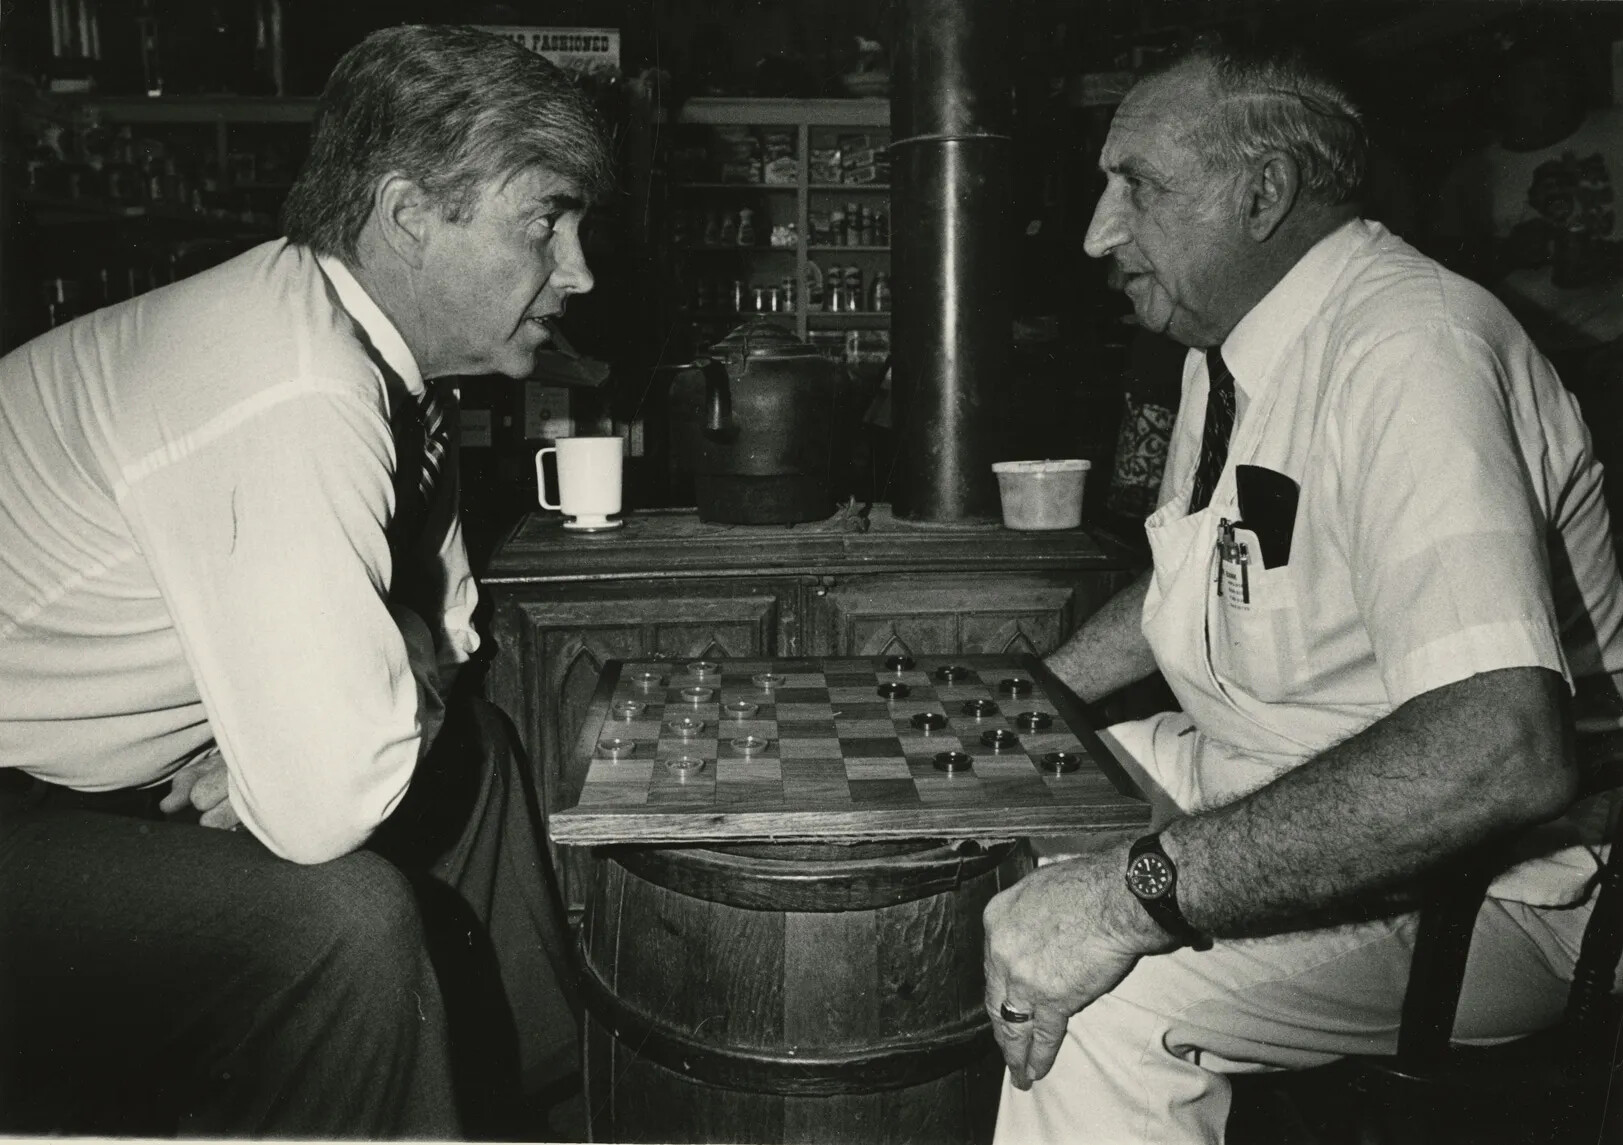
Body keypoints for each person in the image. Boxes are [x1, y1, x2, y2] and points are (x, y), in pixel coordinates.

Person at [983, 36, 1623, 1144]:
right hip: (1268, 776)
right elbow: (1201, 564)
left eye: (1135, 184)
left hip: (1488, 886)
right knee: (987, 801)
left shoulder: (1410, 347)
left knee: (1105, 994)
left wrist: (1127, 893)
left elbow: (1497, 749)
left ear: (1265, 191)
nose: (1097, 228)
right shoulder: (1229, 347)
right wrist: (1025, 699)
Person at [0, 24, 612, 1138]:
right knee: (343, 926)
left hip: (95, 775)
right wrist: (323, 734)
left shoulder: (385, 369)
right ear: (408, 215)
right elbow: (329, 802)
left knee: (477, 759)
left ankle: (541, 1113)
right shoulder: (295, 380)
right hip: (22, 797)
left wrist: (339, 718)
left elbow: (450, 635)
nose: (577, 269)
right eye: (546, 219)